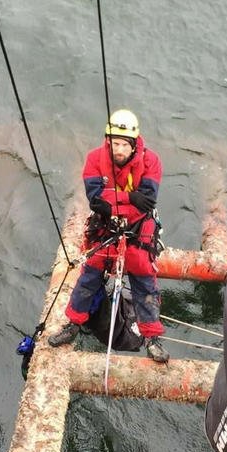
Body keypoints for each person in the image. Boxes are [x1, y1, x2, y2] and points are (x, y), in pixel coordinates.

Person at [48, 108, 169, 363]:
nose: (119, 150)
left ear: (135, 144)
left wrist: (115, 199)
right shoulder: (95, 159)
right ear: (108, 141)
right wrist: (127, 197)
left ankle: (152, 338)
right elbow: (96, 200)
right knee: (88, 279)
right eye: (115, 143)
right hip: (106, 229)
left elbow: (145, 203)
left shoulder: (151, 162)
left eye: (125, 144)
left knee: (145, 284)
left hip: (137, 232)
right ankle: (73, 324)